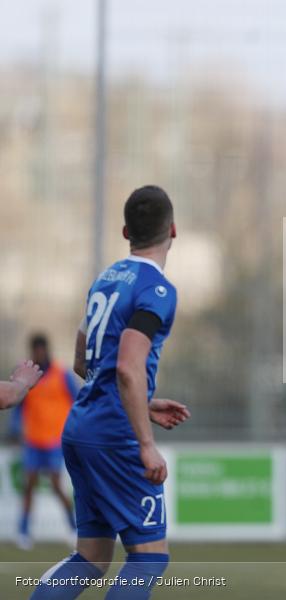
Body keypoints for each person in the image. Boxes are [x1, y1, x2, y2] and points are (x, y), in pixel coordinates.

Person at [31, 185, 191, 600]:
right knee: (148, 557)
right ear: (172, 230)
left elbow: (85, 362)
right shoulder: (157, 290)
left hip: (80, 428)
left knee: (91, 557)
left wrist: (144, 401)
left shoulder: (106, 279)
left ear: (125, 232)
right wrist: (146, 443)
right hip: (114, 437)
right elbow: (125, 367)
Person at [16, 333, 79, 550]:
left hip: (55, 439)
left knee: (55, 484)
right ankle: (23, 531)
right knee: (29, 485)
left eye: (41, 349)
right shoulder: (25, 376)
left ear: (46, 349)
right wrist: (15, 427)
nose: (39, 353)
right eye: (35, 350)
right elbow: (18, 404)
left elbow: (76, 400)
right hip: (33, 439)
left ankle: (73, 528)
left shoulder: (61, 374)